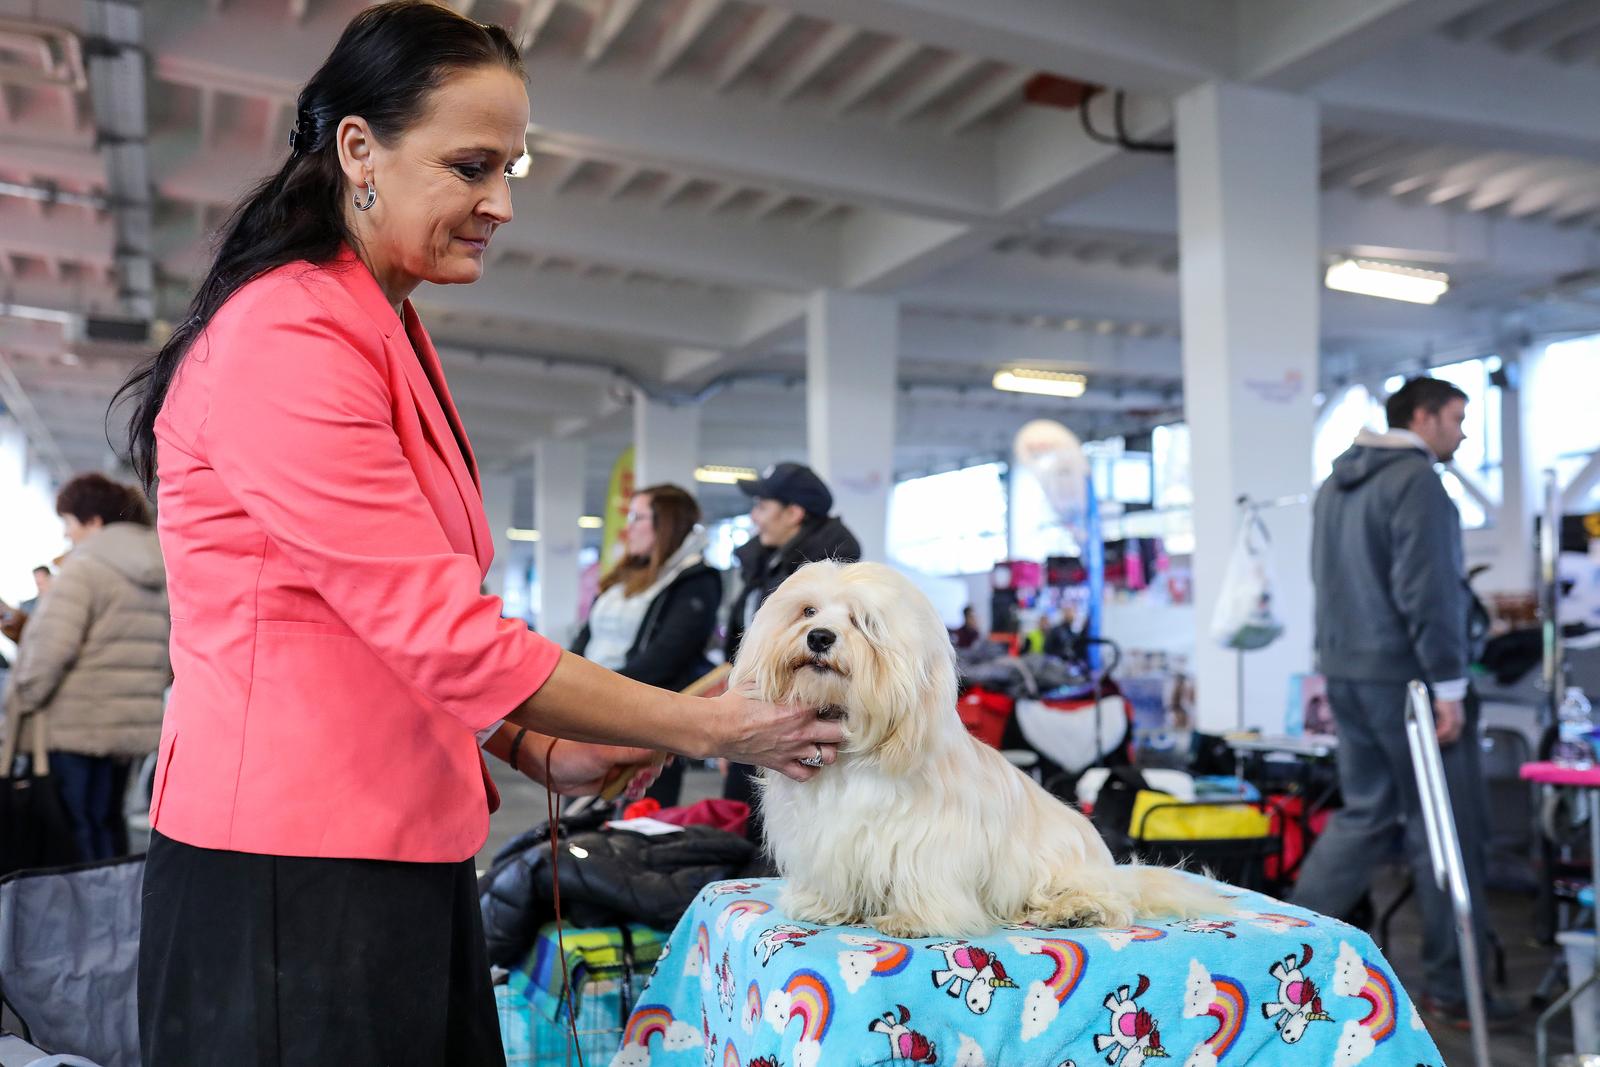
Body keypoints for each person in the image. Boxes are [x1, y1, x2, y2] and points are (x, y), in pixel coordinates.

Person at [112, 7, 843, 1064]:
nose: (499, 202)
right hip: (289, 873)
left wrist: (538, 742)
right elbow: (442, 633)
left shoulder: (387, 326)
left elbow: (386, 628)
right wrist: (714, 730)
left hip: (394, 848)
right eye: (470, 166)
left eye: (510, 168)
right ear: (358, 147)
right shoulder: (290, 332)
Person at [1292, 376, 1512, 1029]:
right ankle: (1452, 987)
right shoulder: (1417, 483)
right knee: (1447, 831)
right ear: (1422, 416)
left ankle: (1281, 940)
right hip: (1410, 683)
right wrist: (1447, 684)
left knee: (1367, 813)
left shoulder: (1335, 486)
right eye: (1457, 417)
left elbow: (1322, 580)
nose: (1464, 431)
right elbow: (1430, 591)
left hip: (1346, 673)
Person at [3, 475, 170, 862]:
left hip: (76, 725)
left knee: (74, 830)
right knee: (108, 823)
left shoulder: (86, 569)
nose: (67, 536)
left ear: (93, 522)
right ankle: (113, 913)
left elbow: (50, 649)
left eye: (69, 524)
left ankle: (80, 916)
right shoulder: (159, 571)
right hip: (129, 725)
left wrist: (25, 698)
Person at [722, 462, 860, 838]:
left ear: (794, 513)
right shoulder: (764, 563)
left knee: (790, 826)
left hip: (796, 721)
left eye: (763, 506)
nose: (755, 516)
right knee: (744, 820)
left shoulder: (830, 575)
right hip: (752, 705)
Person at [572, 484, 723, 806]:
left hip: (647, 719)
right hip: (593, 708)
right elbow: (587, 636)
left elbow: (666, 657)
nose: (628, 528)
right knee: (579, 813)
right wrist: (568, 680)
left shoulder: (696, 580)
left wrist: (593, 690)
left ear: (664, 524)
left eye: (637, 518)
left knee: (638, 817)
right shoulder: (624, 574)